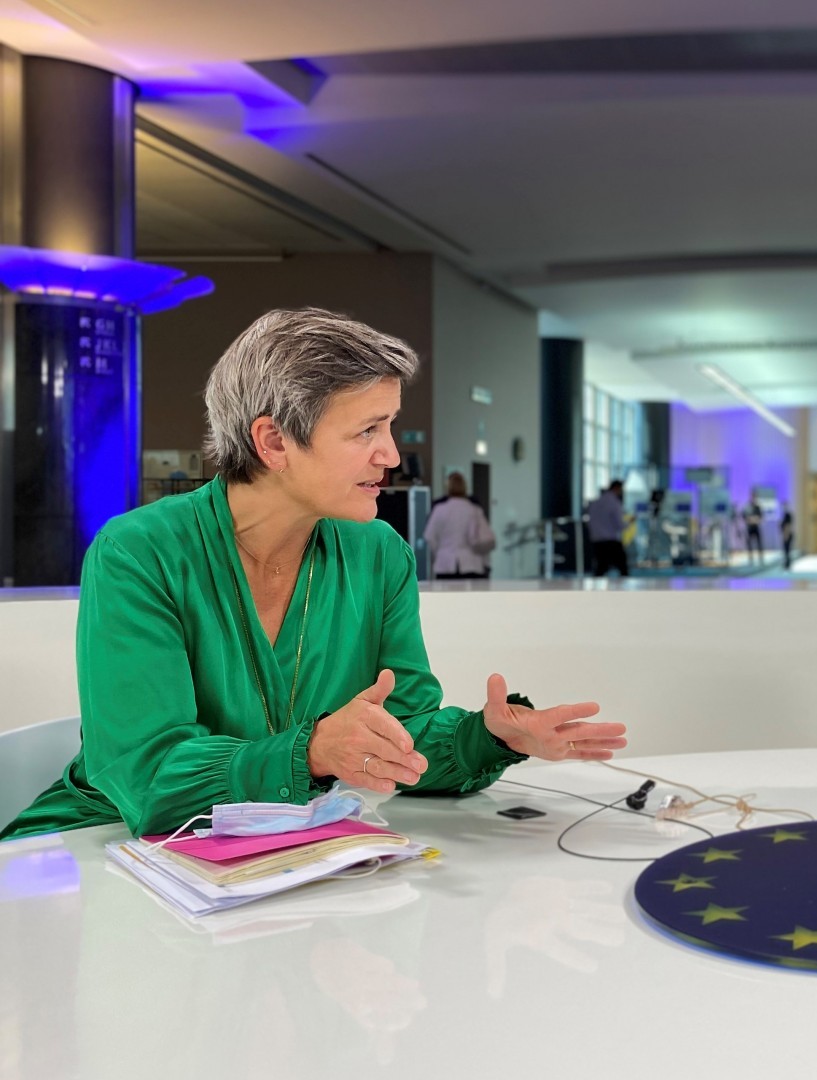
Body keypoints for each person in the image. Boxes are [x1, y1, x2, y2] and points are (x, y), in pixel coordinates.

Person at [2, 308, 626, 841]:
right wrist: (313, 751)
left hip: (273, 856)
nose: (392, 453)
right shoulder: (140, 553)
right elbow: (148, 776)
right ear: (273, 442)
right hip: (105, 846)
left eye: (388, 425)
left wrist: (487, 737)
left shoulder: (378, 553)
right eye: (367, 430)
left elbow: (399, 737)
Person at [424, 471, 495, 579]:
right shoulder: (473, 509)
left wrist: (440, 551)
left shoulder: (439, 510)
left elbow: (430, 536)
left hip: (445, 563)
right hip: (470, 563)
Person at [586, 480, 629, 577]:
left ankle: (595, 586)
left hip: (596, 539)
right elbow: (619, 524)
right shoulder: (614, 503)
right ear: (617, 488)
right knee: (622, 567)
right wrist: (628, 523)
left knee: (601, 567)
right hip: (610, 539)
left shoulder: (595, 503)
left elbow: (590, 521)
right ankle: (624, 586)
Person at [743, 492, 765, 566]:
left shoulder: (757, 507)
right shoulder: (747, 507)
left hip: (756, 527)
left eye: (754, 497)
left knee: (759, 543)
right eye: (752, 497)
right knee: (749, 544)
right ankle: (751, 559)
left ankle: (761, 558)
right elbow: (744, 516)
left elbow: (761, 517)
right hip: (750, 528)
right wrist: (750, 519)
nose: (753, 498)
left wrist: (756, 519)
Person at [780, 501, 795, 569]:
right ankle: (787, 563)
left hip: (787, 534)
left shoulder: (787, 515)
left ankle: (788, 563)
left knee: (787, 550)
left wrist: (786, 535)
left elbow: (788, 526)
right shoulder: (784, 515)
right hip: (786, 534)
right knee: (786, 550)